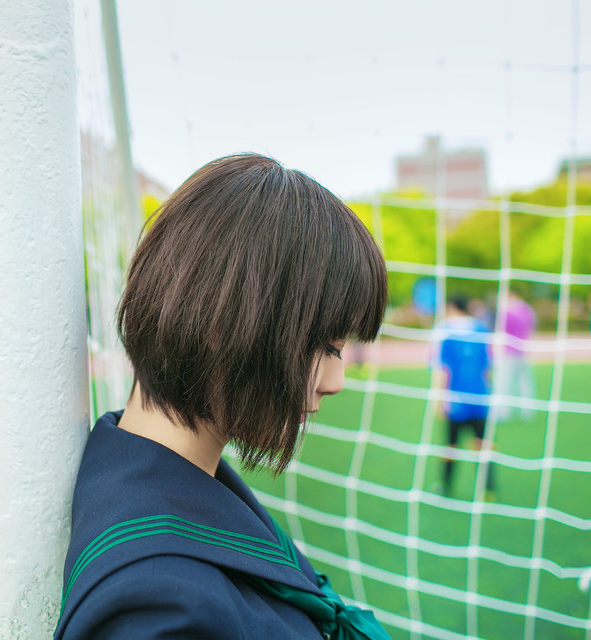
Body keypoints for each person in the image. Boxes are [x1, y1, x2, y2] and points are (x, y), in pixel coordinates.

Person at [54, 155, 391, 639]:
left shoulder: (171, 484)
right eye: (327, 346)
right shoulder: (156, 611)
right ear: (222, 323)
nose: (336, 379)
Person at [432, 296, 495, 499]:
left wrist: (439, 399)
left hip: (456, 399)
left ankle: (446, 487)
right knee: (482, 445)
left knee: (451, 446)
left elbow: (443, 370)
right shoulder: (481, 329)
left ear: (450, 306)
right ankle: (488, 489)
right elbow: (487, 368)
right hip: (480, 397)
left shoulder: (445, 331)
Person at [493, 290, 536, 422]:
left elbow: (499, 331)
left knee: (503, 382)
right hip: (522, 350)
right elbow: (532, 327)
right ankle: (528, 410)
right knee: (524, 381)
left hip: (507, 351)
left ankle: (502, 411)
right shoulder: (527, 309)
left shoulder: (506, 312)